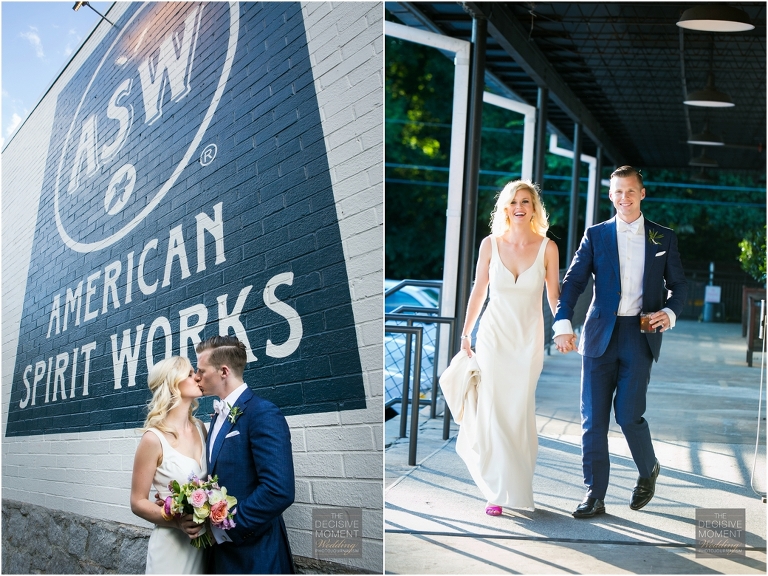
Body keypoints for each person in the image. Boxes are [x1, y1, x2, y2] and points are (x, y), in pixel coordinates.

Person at [553, 165, 687, 519]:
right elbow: (574, 282)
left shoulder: (663, 237)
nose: (623, 197)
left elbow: (680, 286)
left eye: (630, 191)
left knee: (628, 416)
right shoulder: (595, 235)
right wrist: (563, 321)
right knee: (593, 419)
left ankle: (648, 469)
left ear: (642, 194)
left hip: (639, 335)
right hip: (599, 334)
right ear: (610, 195)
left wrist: (670, 314)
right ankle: (594, 493)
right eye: (617, 192)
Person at [454, 179, 561, 515]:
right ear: (505, 208)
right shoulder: (490, 244)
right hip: (493, 339)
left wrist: (564, 329)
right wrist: (466, 331)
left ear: (534, 208)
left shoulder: (548, 248)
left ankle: (518, 485)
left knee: (518, 414)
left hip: (528, 342)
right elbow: (478, 291)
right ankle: (496, 492)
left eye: (526, 201)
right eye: (514, 201)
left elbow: (554, 297)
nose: (519, 206)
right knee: (494, 414)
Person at [195, 335, 295, 574]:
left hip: (254, 553)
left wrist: (224, 527)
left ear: (224, 371)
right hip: (220, 556)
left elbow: (278, 490)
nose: (197, 377)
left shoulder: (262, 413)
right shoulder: (216, 416)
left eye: (201, 370)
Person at [130, 356, 207, 574]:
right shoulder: (153, 439)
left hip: (203, 545)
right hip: (171, 547)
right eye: (190, 374)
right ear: (173, 384)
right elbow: (137, 502)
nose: (198, 377)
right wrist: (176, 522)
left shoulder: (201, 428)